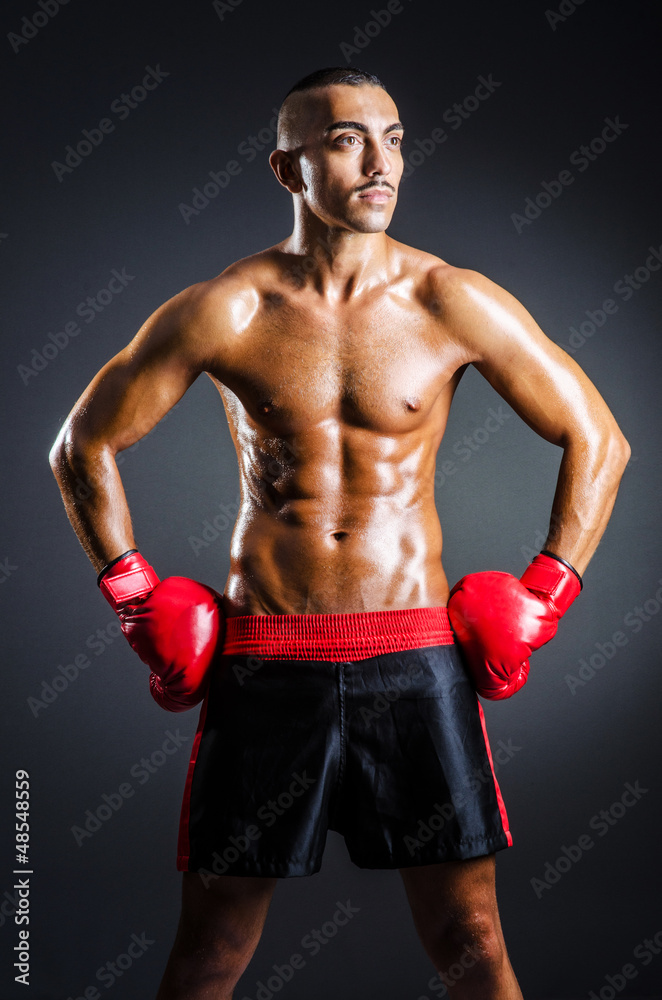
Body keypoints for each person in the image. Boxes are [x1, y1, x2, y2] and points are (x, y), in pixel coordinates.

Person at [49, 67, 630, 999]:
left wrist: (548, 591)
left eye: (394, 137)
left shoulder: (452, 300)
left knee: (471, 937)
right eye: (347, 139)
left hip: (414, 659)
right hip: (267, 661)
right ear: (289, 169)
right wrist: (133, 594)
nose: (380, 161)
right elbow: (81, 445)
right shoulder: (227, 308)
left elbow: (599, 439)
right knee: (212, 948)